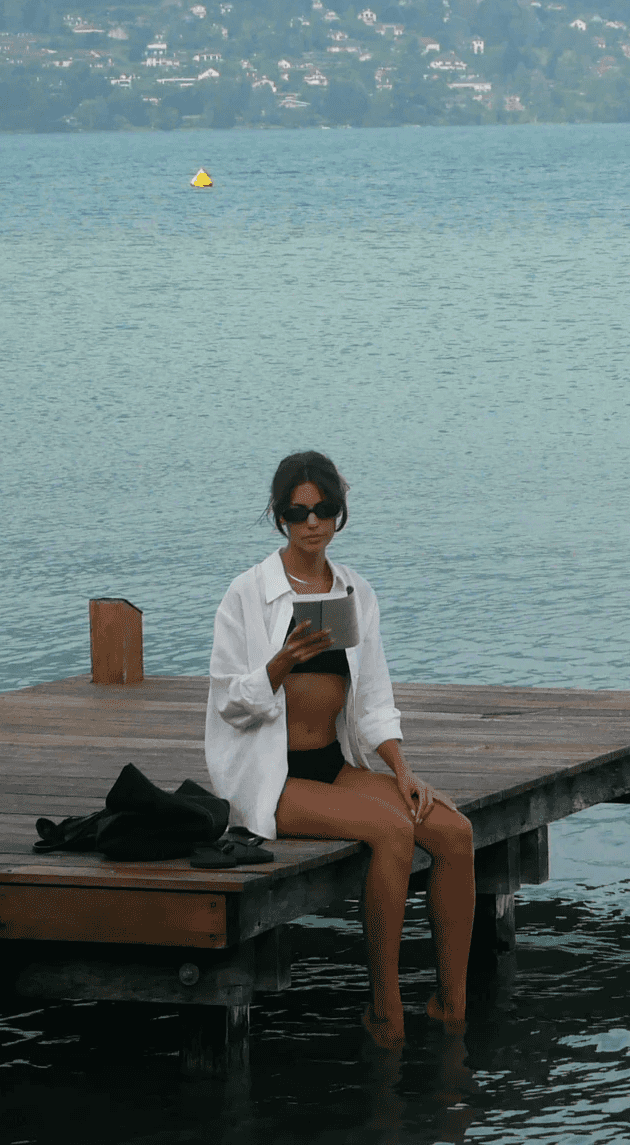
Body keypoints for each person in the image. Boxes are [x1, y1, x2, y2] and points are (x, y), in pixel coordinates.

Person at [205, 448, 475, 1047]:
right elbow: (229, 703)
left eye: (324, 509)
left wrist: (402, 770)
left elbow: (374, 697)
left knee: (454, 831)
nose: (312, 523)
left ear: (339, 513)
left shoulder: (355, 590)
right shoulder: (247, 594)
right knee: (392, 831)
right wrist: (280, 663)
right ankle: (384, 1009)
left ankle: (451, 1005)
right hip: (273, 778)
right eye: (297, 512)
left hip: (332, 764)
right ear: (280, 516)